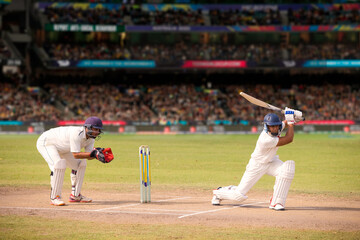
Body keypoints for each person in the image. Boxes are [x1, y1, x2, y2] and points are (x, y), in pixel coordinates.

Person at [212, 108, 301, 211]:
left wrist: (294, 117)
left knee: (287, 169)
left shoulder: (277, 127)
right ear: (267, 127)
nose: (275, 128)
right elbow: (289, 139)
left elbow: (284, 123)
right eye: (272, 126)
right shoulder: (266, 139)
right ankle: (219, 192)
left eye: (276, 125)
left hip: (271, 162)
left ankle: (277, 202)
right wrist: (291, 122)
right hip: (257, 165)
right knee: (238, 196)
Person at [36, 116, 106, 206]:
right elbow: (76, 154)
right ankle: (55, 197)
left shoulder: (91, 138)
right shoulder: (77, 134)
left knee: (80, 165)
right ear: (87, 127)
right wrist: (93, 154)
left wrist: (98, 155)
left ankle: (75, 195)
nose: (97, 132)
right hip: (47, 142)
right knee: (59, 165)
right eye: (95, 129)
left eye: (98, 130)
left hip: (65, 148)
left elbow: (88, 155)